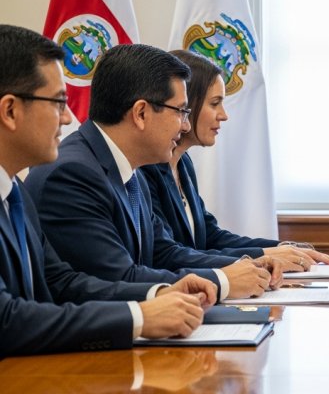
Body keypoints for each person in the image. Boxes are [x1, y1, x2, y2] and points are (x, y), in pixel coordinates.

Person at [0, 24, 215, 357]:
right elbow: (7, 319)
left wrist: (157, 293)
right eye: (58, 102)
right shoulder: (68, 174)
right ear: (10, 111)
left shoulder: (14, 191)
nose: (68, 118)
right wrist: (138, 318)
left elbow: (61, 282)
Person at [24, 43, 288, 299]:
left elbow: (163, 253)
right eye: (181, 112)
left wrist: (250, 265)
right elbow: (117, 278)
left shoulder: (132, 171)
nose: (185, 126)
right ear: (141, 113)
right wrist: (223, 281)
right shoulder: (73, 175)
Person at [138, 50, 329, 268]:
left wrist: (281, 249)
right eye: (214, 103)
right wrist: (262, 258)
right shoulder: (144, 169)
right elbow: (168, 255)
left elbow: (210, 236)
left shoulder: (183, 163)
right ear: (188, 104)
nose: (224, 115)